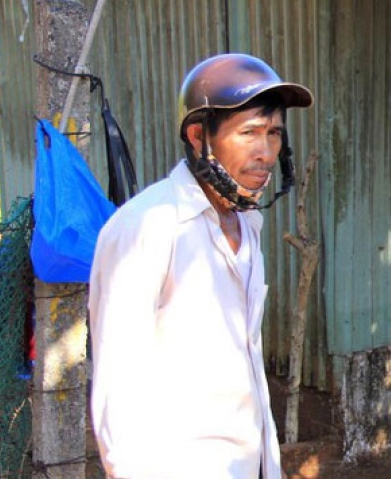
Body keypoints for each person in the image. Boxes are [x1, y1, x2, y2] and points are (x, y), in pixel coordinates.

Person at [88, 53, 313, 478]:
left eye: (274, 134)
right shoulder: (147, 226)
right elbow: (118, 387)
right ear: (198, 136)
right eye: (248, 133)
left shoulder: (248, 225)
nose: (265, 152)